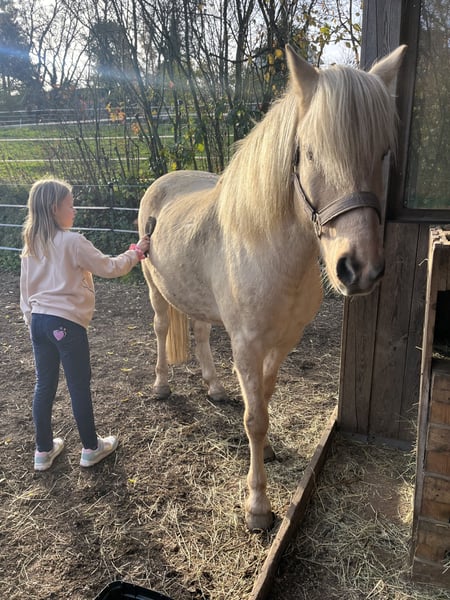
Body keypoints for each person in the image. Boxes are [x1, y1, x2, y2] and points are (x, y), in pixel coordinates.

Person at [20, 178, 150, 471]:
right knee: (78, 385)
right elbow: (110, 267)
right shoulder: (72, 242)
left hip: (38, 322)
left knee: (44, 385)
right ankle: (91, 447)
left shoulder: (31, 245)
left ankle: (43, 451)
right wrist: (137, 251)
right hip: (66, 324)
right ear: (54, 208)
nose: (74, 210)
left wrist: (31, 322)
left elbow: (25, 292)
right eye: (70, 205)